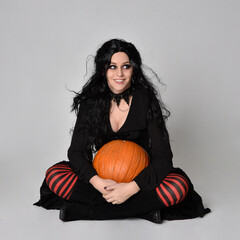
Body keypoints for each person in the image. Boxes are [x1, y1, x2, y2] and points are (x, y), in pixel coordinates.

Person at [34, 38, 210, 223]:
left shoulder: (146, 100)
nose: (120, 74)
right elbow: (77, 152)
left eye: (126, 66)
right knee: (55, 174)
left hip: (139, 182)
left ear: (134, 69)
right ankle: (144, 211)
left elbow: (163, 157)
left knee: (178, 184)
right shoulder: (90, 103)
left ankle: (86, 211)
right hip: (104, 180)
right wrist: (98, 182)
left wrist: (130, 189)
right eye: (112, 67)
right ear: (103, 69)